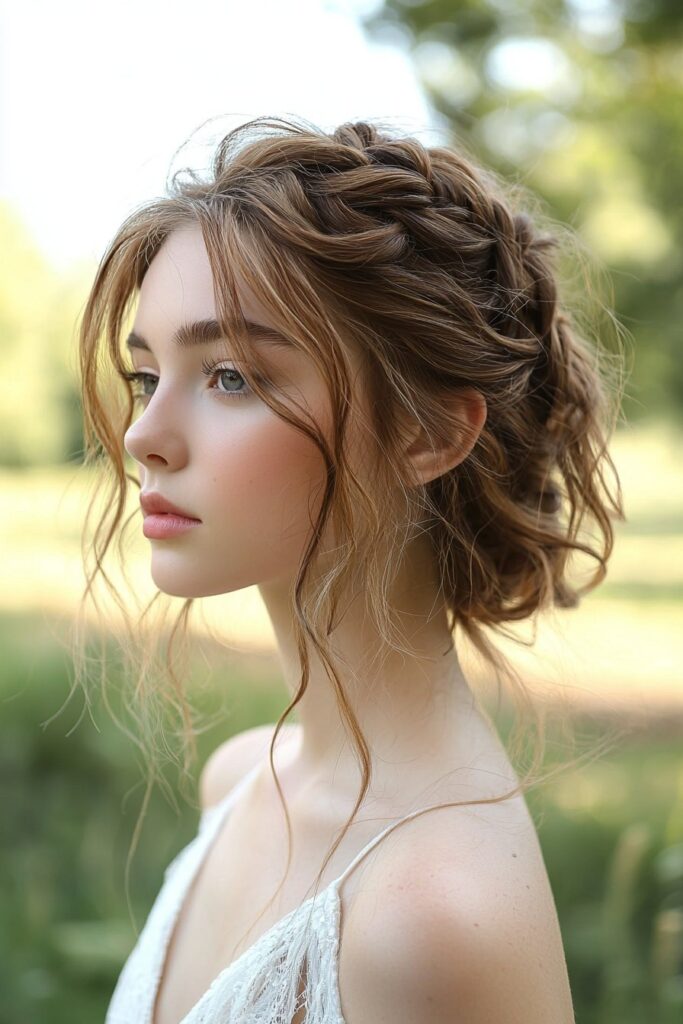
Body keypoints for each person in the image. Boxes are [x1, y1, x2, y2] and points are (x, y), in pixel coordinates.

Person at [76, 114, 623, 1023]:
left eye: (230, 376)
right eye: (145, 377)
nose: (143, 437)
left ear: (428, 432)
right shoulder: (242, 779)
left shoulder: (439, 918)